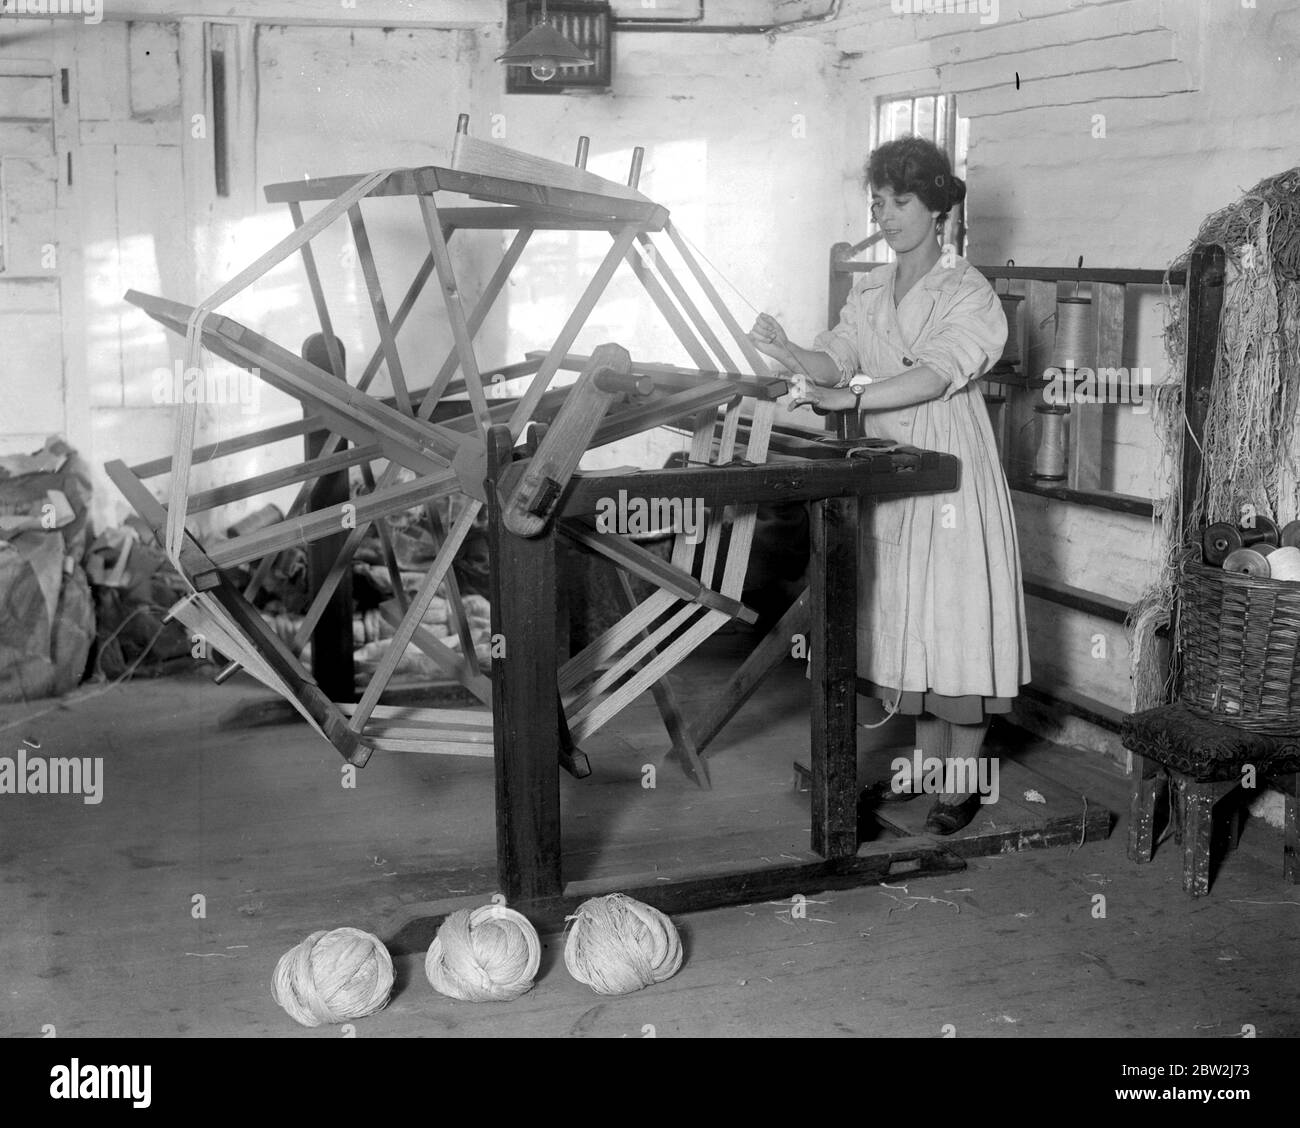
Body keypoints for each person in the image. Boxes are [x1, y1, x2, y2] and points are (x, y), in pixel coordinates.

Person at [748, 136, 1030, 835]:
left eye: (902, 199)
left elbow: (936, 374)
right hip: (888, 462)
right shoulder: (869, 287)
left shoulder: (968, 290)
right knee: (908, 617)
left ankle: (961, 785)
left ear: (936, 206)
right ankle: (927, 773)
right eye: (879, 200)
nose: (888, 211)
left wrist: (851, 401)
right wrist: (790, 351)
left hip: (951, 465)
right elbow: (835, 360)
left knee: (956, 620)